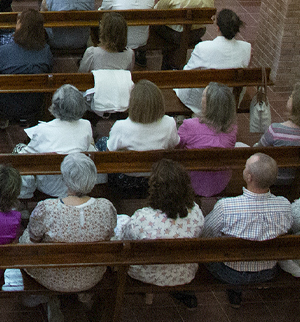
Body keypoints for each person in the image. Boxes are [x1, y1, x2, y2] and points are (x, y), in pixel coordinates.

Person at [22, 152, 117, 322]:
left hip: (51, 277)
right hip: (92, 275)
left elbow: (34, 239)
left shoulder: (47, 208)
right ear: (93, 178)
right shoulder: (106, 207)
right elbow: (108, 235)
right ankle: (82, 294)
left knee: (26, 237)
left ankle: (50, 297)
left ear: (65, 179)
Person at [201, 153, 293, 306]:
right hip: (268, 272)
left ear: (249, 177)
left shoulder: (226, 206)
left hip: (230, 273)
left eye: (245, 166)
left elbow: (206, 234)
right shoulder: (284, 205)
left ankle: (235, 290)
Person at [119, 159, 204, 304]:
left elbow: (125, 238)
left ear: (155, 188)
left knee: (121, 222)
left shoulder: (143, 218)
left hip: (146, 274)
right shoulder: (196, 212)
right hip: (183, 273)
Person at [17, 86, 96, 199]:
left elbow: (26, 157)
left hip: (50, 186)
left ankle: (24, 195)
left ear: (56, 106)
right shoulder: (86, 125)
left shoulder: (43, 130)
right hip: (77, 182)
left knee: (20, 152)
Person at [102, 80, 180, 193]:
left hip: (125, 179)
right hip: (156, 178)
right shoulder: (169, 123)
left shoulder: (121, 126)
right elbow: (173, 146)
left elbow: (109, 153)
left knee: (102, 142)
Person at [173, 8, 250, 113]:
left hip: (202, 101)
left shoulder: (203, 48)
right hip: (229, 99)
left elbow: (187, 73)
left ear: (218, 28)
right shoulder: (246, 48)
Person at [0, 9, 53, 122]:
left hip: (4, 105)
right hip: (34, 104)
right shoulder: (46, 51)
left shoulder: (3, 51)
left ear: (20, 27)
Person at [178, 82, 238, 198]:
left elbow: (178, 149)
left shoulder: (188, 126)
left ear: (207, 105)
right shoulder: (232, 128)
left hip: (190, 180)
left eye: (203, 96)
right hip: (220, 182)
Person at [255, 81, 300, 186]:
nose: (289, 97)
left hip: (271, 178)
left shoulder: (275, 130)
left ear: (294, 105)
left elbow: (259, 149)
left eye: (291, 96)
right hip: (295, 180)